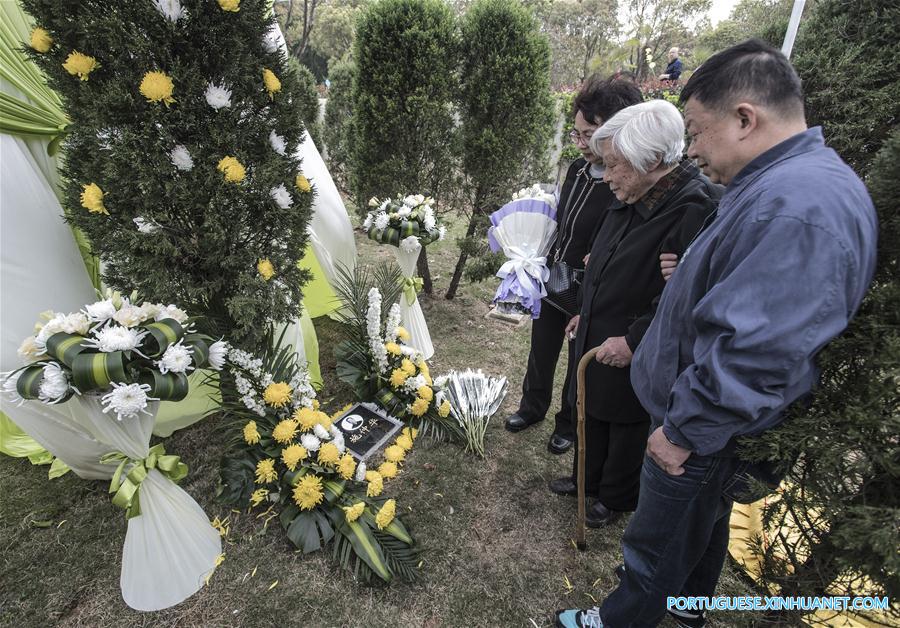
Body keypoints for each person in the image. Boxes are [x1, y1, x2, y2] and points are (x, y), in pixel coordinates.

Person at [555, 39, 878, 628]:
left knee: (654, 548)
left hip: (703, 428)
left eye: (698, 132)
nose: (692, 151)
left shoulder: (797, 206)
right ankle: (690, 613)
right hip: (709, 421)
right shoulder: (782, 186)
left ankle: (620, 620)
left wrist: (683, 428)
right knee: (699, 534)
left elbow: (761, 346)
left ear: (745, 118)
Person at [548, 100, 721, 528]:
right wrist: (584, 309)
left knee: (624, 415)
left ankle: (613, 497)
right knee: (589, 401)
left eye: (616, 166)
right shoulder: (634, 187)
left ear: (655, 161)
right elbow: (608, 253)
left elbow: (682, 295)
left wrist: (634, 339)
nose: (607, 177)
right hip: (598, 321)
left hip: (635, 337)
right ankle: (584, 479)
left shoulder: (692, 207)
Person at [505, 77, 643, 455]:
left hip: (592, 288)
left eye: (589, 135)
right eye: (576, 135)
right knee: (541, 348)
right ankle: (531, 407)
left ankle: (567, 422)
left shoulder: (625, 183)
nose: (580, 144)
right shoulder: (577, 172)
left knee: (577, 359)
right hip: (555, 275)